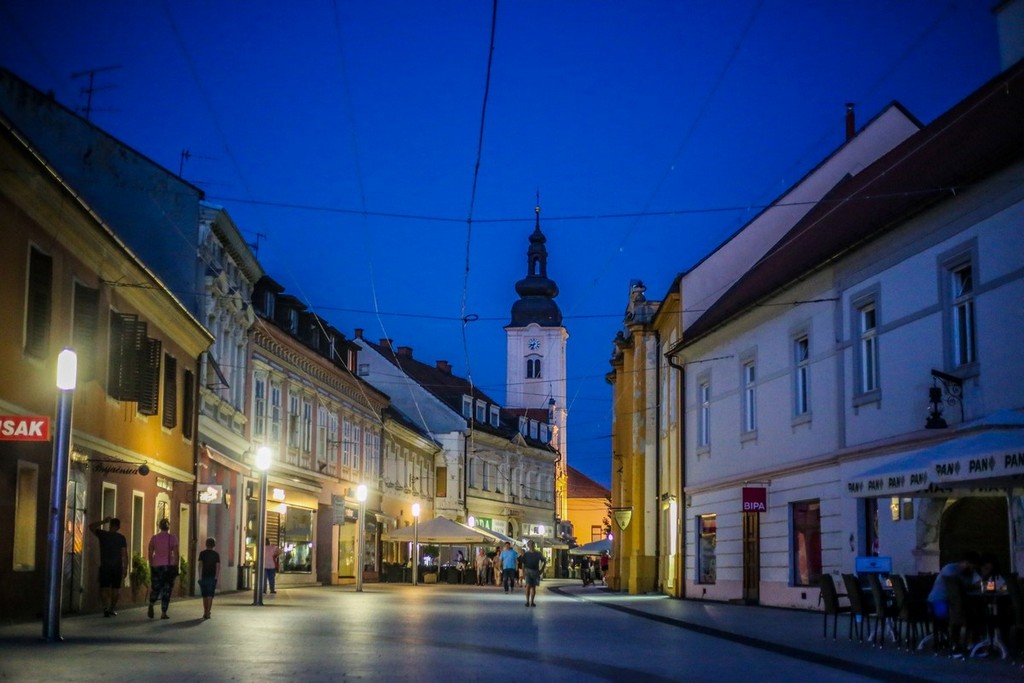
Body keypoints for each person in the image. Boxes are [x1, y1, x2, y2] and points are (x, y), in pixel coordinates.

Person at [927, 551, 979, 655]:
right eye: (971, 566)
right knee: (958, 611)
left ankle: (968, 643)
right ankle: (956, 643)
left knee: (972, 612)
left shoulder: (968, 574)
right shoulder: (950, 569)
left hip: (954, 603)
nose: (973, 569)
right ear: (966, 563)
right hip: (938, 603)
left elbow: (970, 586)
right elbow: (954, 590)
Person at [89, 516, 128, 617]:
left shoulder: (103, 535)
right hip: (117, 566)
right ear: (118, 527)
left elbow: (91, 527)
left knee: (104, 587)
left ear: (110, 525)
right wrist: (125, 568)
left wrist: (103, 521)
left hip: (105, 565)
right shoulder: (121, 538)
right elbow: (124, 554)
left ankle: (105, 608)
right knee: (116, 588)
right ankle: (111, 608)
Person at [147, 518, 179, 620]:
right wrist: (176, 564)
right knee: (167, 589)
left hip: (156, 566)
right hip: (168, 566)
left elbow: (150, 552)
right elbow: (176, 553)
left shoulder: (154, 538)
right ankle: (163, 612)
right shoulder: (172, 538)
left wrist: (152, 564)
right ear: (168, 527)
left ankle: (151, 603)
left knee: (156, 587)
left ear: (159, 526)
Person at [197, 537, 220, 619]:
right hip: (212, 577)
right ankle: (208, 612)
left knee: (204, 595)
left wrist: (199, 577)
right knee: (210, 595)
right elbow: (218, 567)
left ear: (206, 544)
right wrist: (216, 577)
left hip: (204, 577)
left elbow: (200, 566)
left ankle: (205, 611)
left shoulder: (202, 554)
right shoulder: (216, 555)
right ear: (214, 545)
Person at [522, 540, 547, 607]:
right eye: (530, 544)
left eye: (532, 544)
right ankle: (527, 601)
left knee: (533, 587)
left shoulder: (538, 553)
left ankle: (532, 601)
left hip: (535, 571)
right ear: (528, 546)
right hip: (528, 571)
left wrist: (542, 570)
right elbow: (523, 564)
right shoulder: (526, 554)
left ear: (534, 545)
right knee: (527, 586)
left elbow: (544, 561)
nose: (531, 546)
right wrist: (523, 573)